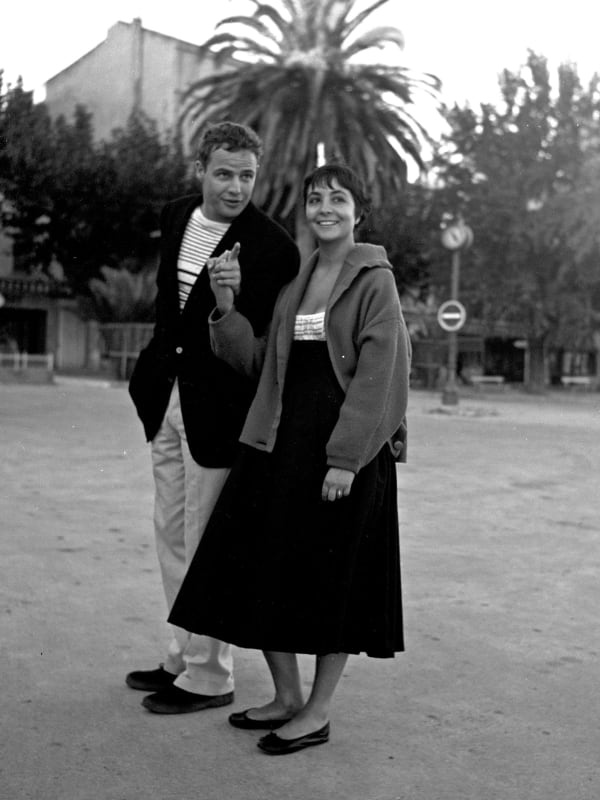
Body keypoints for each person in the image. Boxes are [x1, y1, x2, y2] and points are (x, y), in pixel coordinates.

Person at [169, 163, 411, 753]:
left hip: (340, 451)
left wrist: (345, 460)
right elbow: (259, 363)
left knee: (334, 582)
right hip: (277, 445)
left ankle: (317, 712)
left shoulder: (375, 282)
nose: (324, 208)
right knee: (258, 568)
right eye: (315, 199)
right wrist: (225, 305)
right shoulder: (295, 285)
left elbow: (381, 376)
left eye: (338, 199)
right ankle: (285, 697)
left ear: (359, 212)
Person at [126, 122, 300, 714]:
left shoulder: (273, 247)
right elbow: (167, 306)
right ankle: (181, 655)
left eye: (247, 176)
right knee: (170, 532)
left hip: (220, 412)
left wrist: (231, 301)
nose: (235, 187)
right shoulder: (176, 215)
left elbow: (259, 350)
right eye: (223, 173)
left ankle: (209, 674)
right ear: (200, 169)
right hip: (165, 399)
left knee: (206, 541)